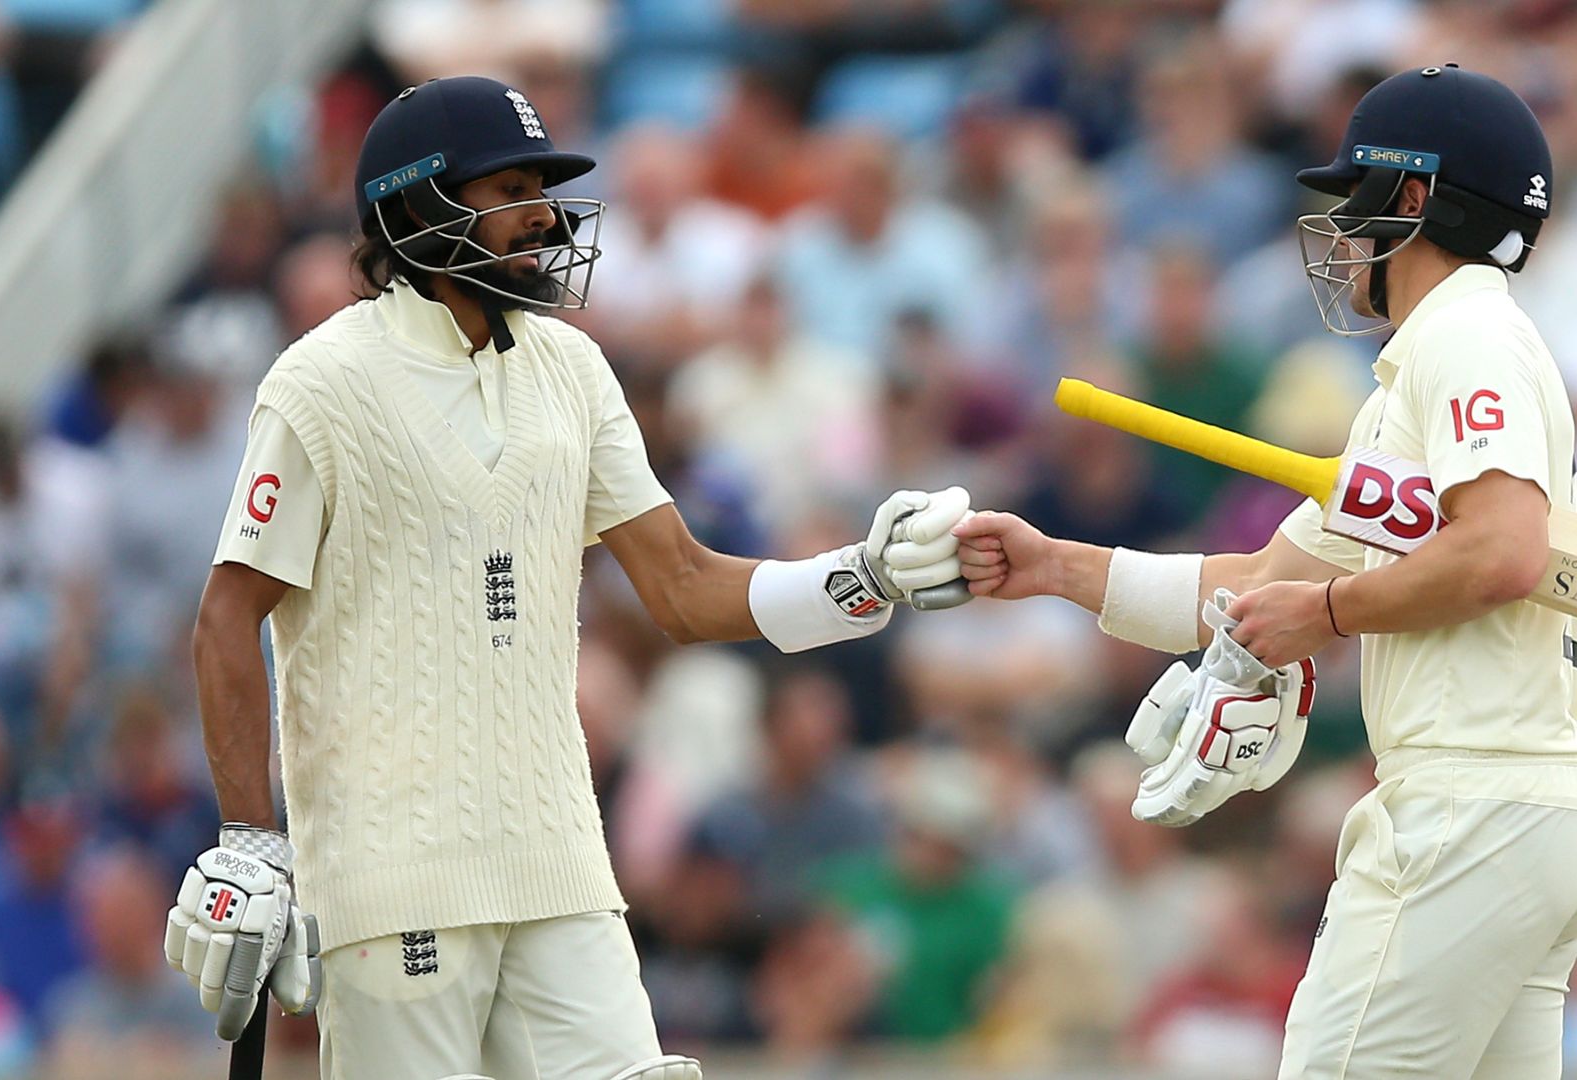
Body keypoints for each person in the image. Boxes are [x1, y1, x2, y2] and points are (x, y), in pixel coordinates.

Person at [160, 76, 971, 1080]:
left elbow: (681, 586)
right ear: (417, 207)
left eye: (543, 188)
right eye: (510, 189)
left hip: (560, 862)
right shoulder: (320, 382)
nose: (544, 216)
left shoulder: (574, 372)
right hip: (390, 875)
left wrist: (862, 579)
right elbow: (226, 616)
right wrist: (249, 837)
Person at [957, 65, 1577, 1078]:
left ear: (1414, 200)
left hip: (1464, 813)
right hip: (1529, 813)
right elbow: (1262, 584)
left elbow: (1502, 551)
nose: (1343, 235)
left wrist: (1333, 612)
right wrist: (1056, 567)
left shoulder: (1467, 337)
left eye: (1359, 202)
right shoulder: (1422, 378)